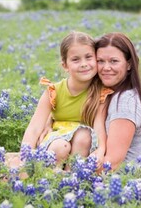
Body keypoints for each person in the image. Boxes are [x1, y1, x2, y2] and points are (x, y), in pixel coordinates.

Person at [13, 31, 109, 169]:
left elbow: (100, 128)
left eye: (88, 57)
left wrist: (101, 150)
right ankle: (52, 177)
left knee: (83, 136)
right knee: (61, 146)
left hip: (85, 144)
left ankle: (72, 177)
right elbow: (34, 128)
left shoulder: (100, 93)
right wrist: (24, 157)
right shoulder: (53, 92)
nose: (83, 64)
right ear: (65, 65)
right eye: (76, 59)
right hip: (56, 142)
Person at [94, 32, 141, 171]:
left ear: (129, 64)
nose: (106, 67)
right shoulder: (109, 95)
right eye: (100, 61)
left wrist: (68, 175)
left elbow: (111, 164)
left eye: (114, 61)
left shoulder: (125, 101)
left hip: (114, 185)